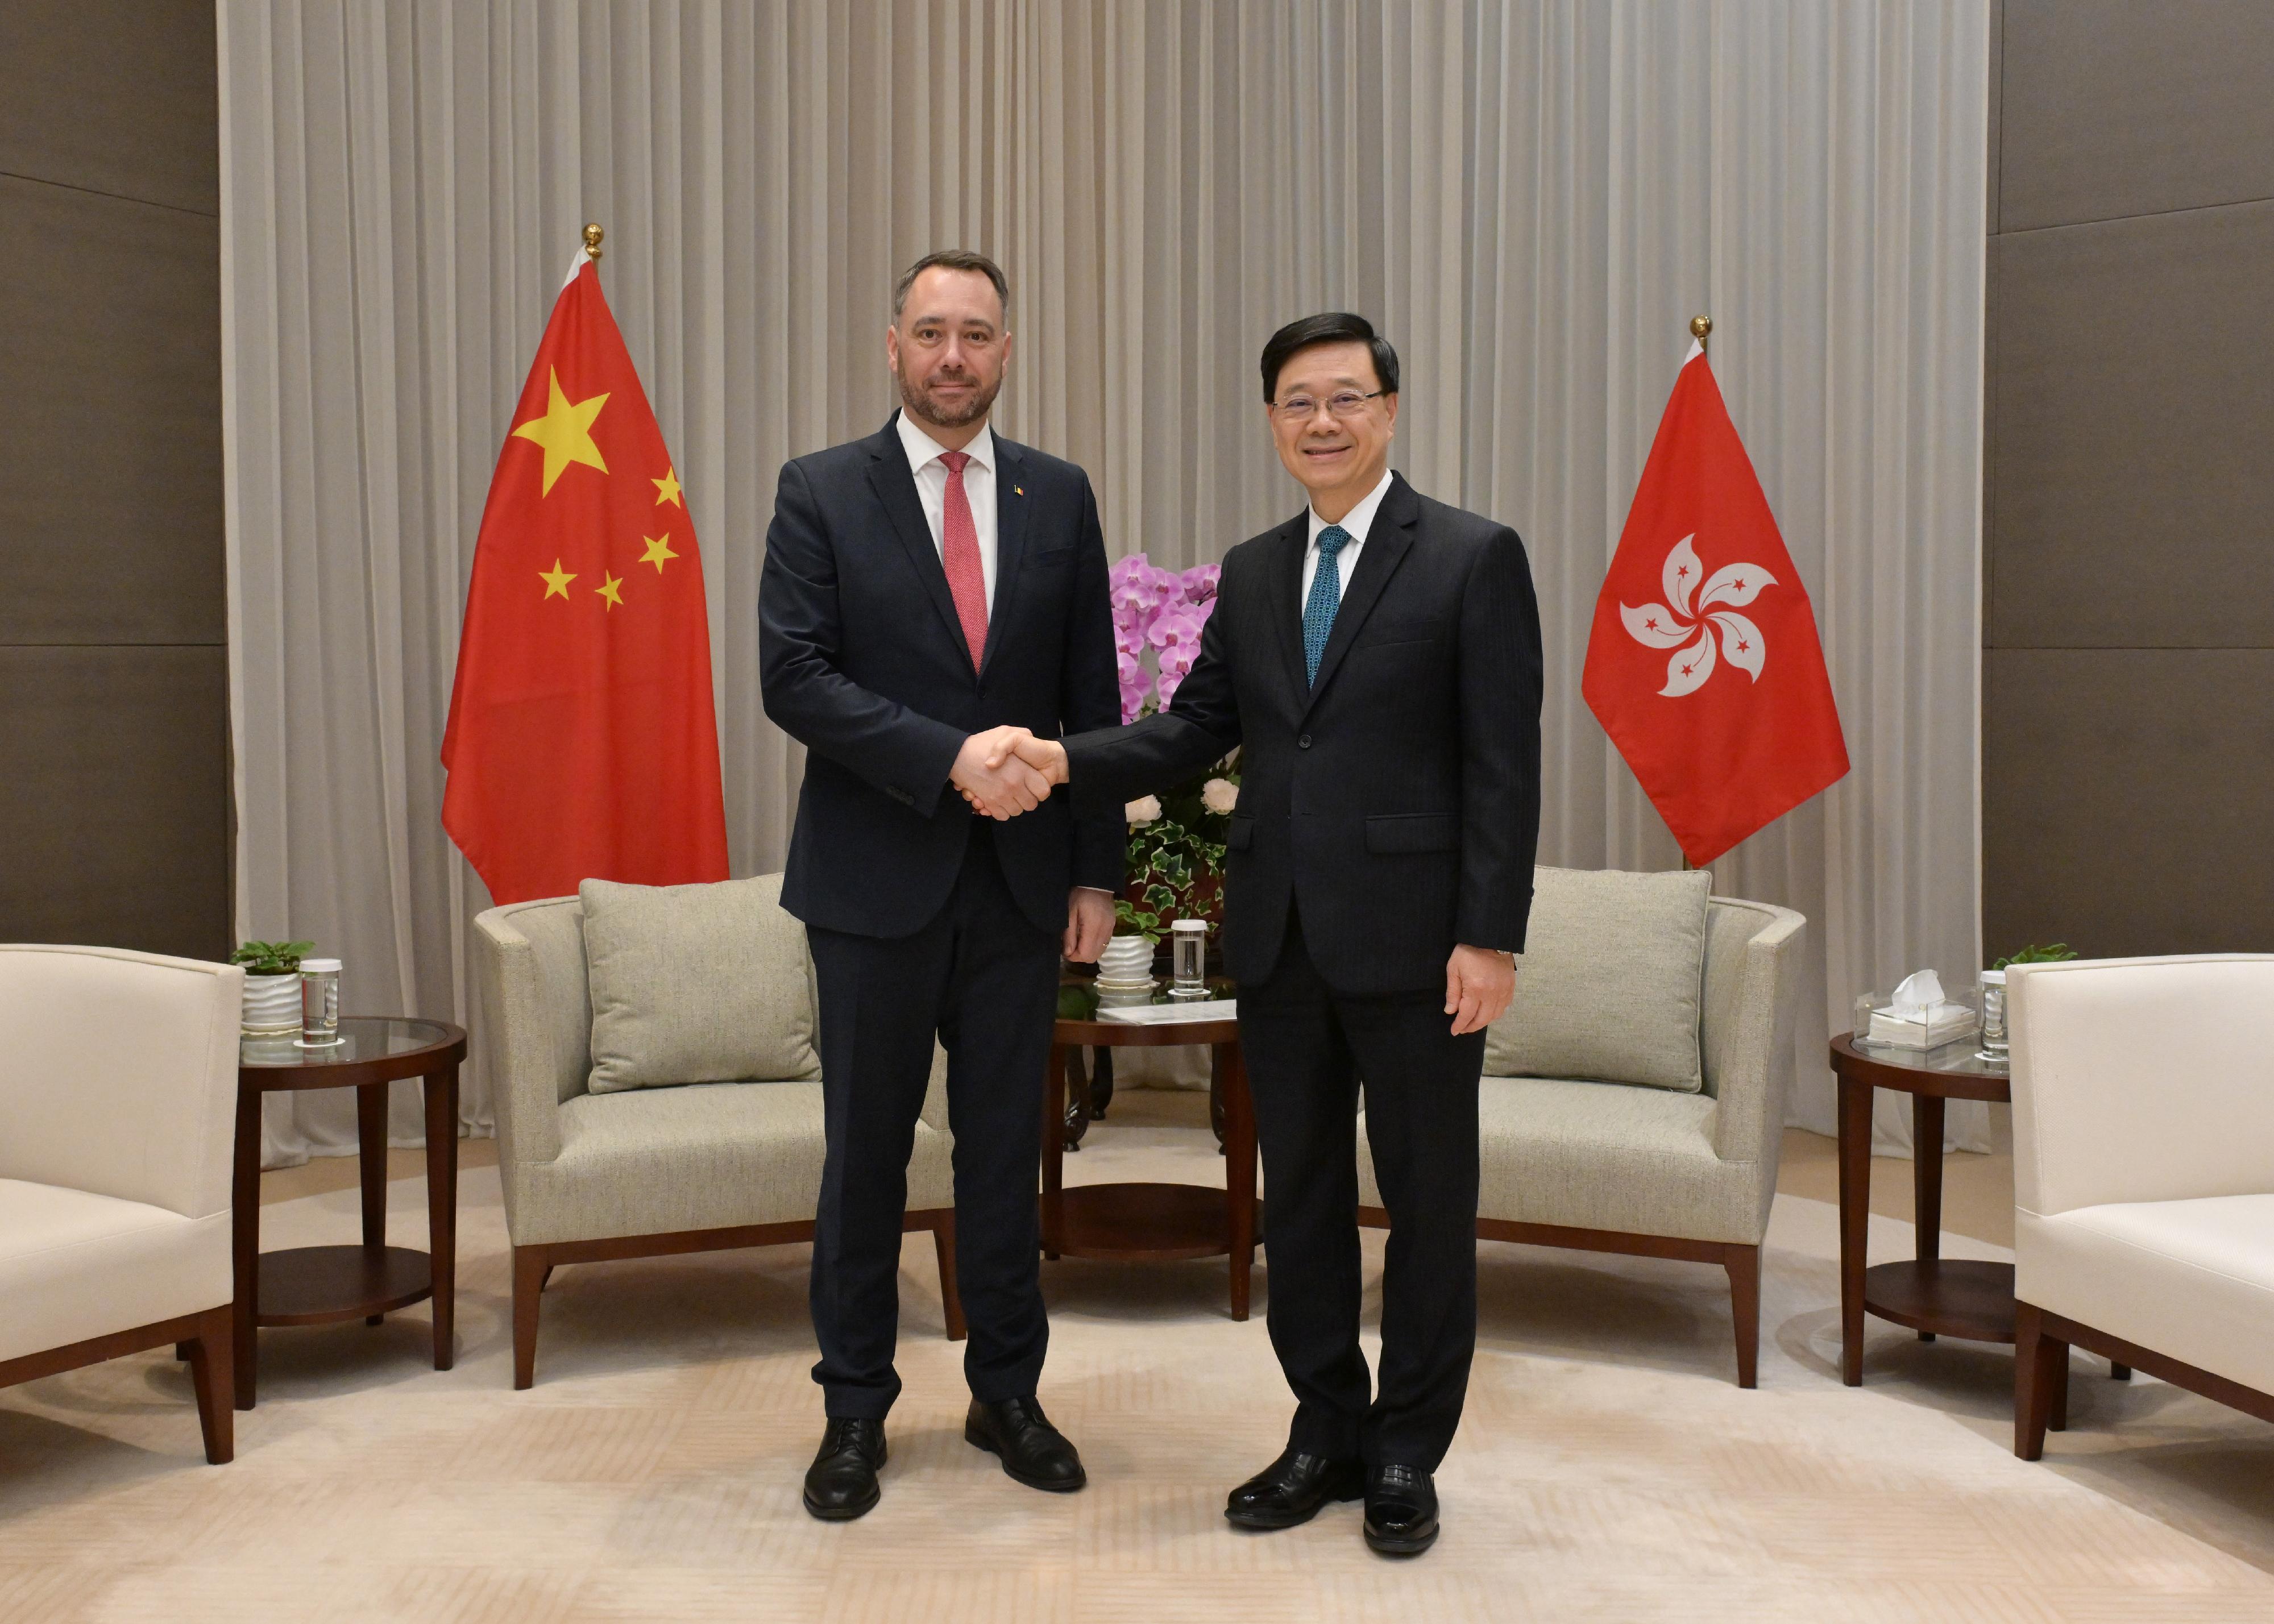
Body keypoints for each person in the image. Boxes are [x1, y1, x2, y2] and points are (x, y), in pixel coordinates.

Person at [978, 312, 1542, 1556]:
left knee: (1428, 1201)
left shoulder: (1467, 557)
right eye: (1297, 402)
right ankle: (1323, 1428)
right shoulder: (1248, 571)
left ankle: (1405, 1448)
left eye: (1344, 398)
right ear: (1272, 422)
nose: (1322, 422)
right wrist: (1062, 755)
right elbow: (1191, 731)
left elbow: (1502, 766)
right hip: (1276, 937)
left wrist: (1488, 934)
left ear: (1389, 409)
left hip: (1417, 946)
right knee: (1298, 1201)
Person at [758, 249, 1122, 1521]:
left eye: (975, 333)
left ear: (1006, 352)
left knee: (1000, 1159)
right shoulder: (820, 492)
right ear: (893, 346)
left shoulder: (1057, 494)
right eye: (930, 332)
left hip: (1022, 892)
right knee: (862, 1161)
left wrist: (1097, 870)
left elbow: (1092, 696)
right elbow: (792, 677)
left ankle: (1004, 1392)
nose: (952, 355)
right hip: (871, 890)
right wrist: (947, 756)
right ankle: (852, 1409)